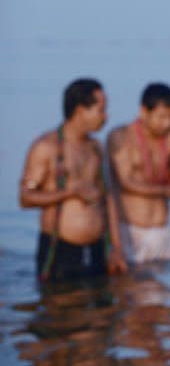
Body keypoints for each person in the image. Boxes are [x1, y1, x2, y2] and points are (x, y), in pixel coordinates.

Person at [19, 78, 127, 282]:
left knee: (104, 310)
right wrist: (70, 192)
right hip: (60, 250)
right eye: (101, 110)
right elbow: (25, 198)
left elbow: (109, 198)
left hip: (98, 249)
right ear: (80, 111)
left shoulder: (97, 148)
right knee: (60, 308)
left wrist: (117, 248)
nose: (106, 117)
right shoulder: (46, 148)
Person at [108, 83, 170, 264]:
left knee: (161, 290)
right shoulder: (121, 137)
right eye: (161, 117)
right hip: (129, 230)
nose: (167, 123)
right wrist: (167, 191)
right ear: (143, 112)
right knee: (128, 288)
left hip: (161, 232)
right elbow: (125, 182)